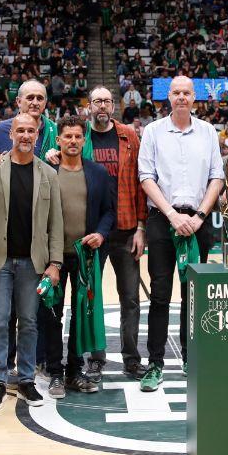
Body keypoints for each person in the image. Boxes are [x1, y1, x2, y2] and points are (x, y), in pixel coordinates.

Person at [137, 75, 224, 392]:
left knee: (195, 295)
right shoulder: (153, 132)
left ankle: (193, 359)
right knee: (160, 295)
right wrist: (173, 215)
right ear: (168, 97)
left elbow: (217, 177)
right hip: (163, 218)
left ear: (194, 97)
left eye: (187, 92)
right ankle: (155, 364)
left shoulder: (208, 132)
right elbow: (146, 177)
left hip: (199, 222)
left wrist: (200, 214)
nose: (182, 97)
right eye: (176, 92)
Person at [0, 112, 62, 410]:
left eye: (30, 131)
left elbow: (55, 224)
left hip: (33, 263)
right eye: (20, 130)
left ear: (38, 136)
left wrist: (55, 263)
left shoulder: (48, 173)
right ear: (11, 134)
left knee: (30, 323)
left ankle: (26, 380)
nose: (25, 135)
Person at [42, 116, 116, 398]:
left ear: (83, 141)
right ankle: (55, 373)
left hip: (84, 257)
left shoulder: (97, 172)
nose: (72, 141)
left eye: (77, 136)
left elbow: (110, 210)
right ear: (58, 140)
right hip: (53, 258)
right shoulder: (47, 170)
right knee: (52, 315)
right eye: (67, 136)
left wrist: (101, 233)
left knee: (80, 317)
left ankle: (74, 371)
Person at [84, 86, 146, 379]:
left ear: (114, 106)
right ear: (89, 106)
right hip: (92, 231)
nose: (102, 107)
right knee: (92, 297)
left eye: (107, 102)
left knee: (130, 298)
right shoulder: (79, 136)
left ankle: (131, 357)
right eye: (97, 102)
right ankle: (96, 357)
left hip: (125, 228)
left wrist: (141, 228)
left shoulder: (129, 136)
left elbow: (139, 183)